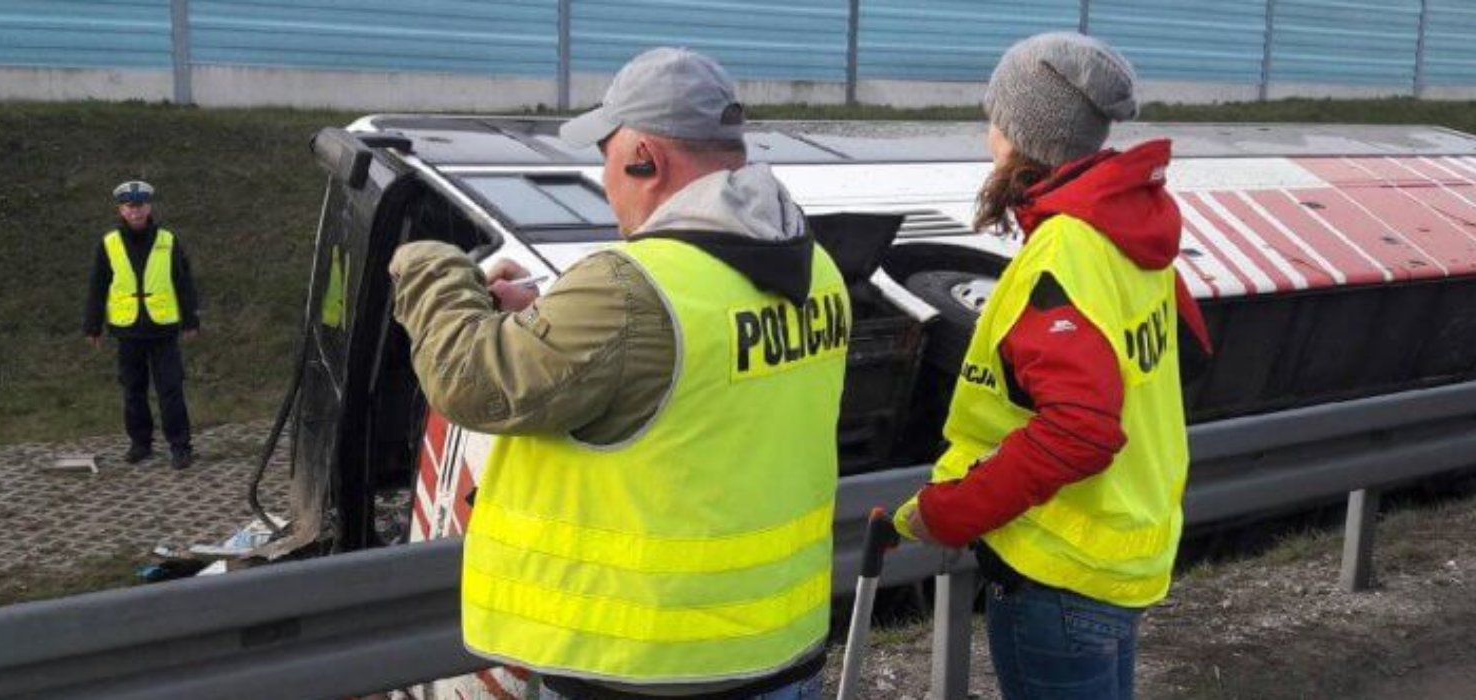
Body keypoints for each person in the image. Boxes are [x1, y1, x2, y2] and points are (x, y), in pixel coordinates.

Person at [389, 48, 849, 700]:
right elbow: (697, 393)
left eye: (605, 158)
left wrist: (430, 266)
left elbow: (472, 381)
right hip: (777, 651)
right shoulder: (816, 268)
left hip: (643, 671)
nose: (605, 182)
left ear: (645, 158)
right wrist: (553, 319)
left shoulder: (627, 290)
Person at [893, 33, 1212, 700]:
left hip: (1060, 574)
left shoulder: (1065, 250)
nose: (989, 133)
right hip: (1119, 550)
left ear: (1019, 132)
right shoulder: (1125, 229)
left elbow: (1081, 430)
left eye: (995, 117)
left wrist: (953, 513)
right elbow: (1177, 358)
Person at [83, 180, 201, 470]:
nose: (135, 212)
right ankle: (141, 443)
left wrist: (190, 319)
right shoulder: (109, 243)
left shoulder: (168, 240)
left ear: (149, 207)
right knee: (133, 390)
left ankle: (180, 446)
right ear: (121, 209)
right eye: (129, 207)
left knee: (170, 389)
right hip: (128, 330)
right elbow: (98, 285)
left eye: (140, 206)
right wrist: (93, 324)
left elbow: (183, 282)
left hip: (163, 328)